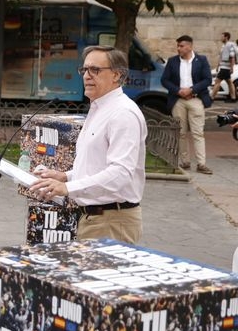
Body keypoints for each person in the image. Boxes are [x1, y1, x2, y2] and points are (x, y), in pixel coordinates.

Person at [30, 46, 146, 244]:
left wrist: (67, 187)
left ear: (117, 75)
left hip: (112, 221)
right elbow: (96, 165)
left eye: (95, 70)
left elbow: (120, 174)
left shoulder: (123, 114)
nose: (87, 76)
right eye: (84, 70)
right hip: (95, 218)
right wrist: (65, 176)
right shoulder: (99, 107)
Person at [161, 35, 213, 174]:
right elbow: (165, 80)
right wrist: (178, 91)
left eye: (181, 46)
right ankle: (185, 162)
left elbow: (207, 79)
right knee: (181, 133)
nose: (179, 48)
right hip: (178, 101)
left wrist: (192, 89)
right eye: (178, 46)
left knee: (198, 133)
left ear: (190, 46)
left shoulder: (201, 60)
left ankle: (201, 164)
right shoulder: (172, 61)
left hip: (196, 99)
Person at [211, 31, 236, 102]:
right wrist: (218, 66)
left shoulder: (229, 45)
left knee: (217, 82)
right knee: (230, 82)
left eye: (222, 36)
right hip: (223, 67)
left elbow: (232, 57)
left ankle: (211, 98)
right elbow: (221, 57)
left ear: (226, 37)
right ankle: (233, 98)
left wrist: (231, 67)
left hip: (225, 68)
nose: (221, 38)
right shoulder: (224, 46)